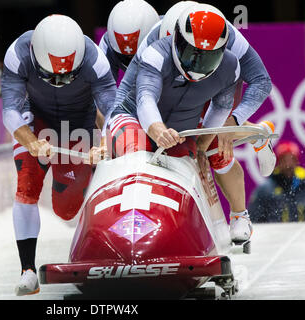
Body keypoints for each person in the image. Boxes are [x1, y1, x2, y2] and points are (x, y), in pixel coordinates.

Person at [107, 2, 275, 244]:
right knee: (133, 147)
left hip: (200, 97)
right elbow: (133, 94)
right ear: (172, 39)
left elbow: (260, 81)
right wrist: (113, 131)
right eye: (190, 52)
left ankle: (240, 215)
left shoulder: (230, 52)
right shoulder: (156, 44)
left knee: (216, 146)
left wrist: (228, 125)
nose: (197, 62)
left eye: (205, 55)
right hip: (157, 102)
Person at [1, 14, 116, 296]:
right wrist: (29, 140)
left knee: (66, 209)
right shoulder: (17, 54)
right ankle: (27, 270)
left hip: (78, 127)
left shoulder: (95, 60)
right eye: (51, 75)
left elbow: (113, 110)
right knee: (26, 185)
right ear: (36, 57)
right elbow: (10, 110)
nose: (59, 82)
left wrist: (105, 143)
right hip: (36, 119)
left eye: (67, 76)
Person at [249, 141, 305, 223]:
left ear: (297, 162)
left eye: (292, 159)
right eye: (284, 160)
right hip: (274, 234)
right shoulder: (265, 189)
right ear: (278, 163)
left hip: (299, 234)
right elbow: (254, 218)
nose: (288, 164)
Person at [98, 0, 160, 82]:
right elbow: (105, 87)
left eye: (136, 56)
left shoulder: (169, 34)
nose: (132, 62)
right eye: (126, 58)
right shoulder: (107, 45)